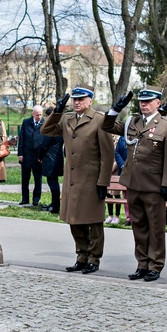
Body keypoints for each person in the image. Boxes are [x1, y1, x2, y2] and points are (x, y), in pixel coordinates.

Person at [102, 87, 167, 281]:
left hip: (153, 185)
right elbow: (107, 126)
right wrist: (115, 109)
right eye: (141, 101)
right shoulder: (132, 122)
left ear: (158, 103)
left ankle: (155, 265)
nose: (144, 104)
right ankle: (142, 264)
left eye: (148, 101)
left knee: (156, 227)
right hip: (133, 183)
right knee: (139, 226)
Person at [41, 86, 115, 273]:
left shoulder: (99, 120)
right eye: (74, 99)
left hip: (91, 179)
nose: (77, 102)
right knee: (75, 220)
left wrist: (103, 182)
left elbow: (107, 155)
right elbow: (46, 130)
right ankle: (81, 256)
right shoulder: (67, 118)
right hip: (72, 179)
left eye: (81, 99)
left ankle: (94, 258)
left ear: (90, 100)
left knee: (93, 221)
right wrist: (57, 111)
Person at [37, 104, 64, 214]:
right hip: (57, 157)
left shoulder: (51, 128)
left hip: (50, 158)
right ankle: (54, 204)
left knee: (52, 183)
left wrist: (39, 156)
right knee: (54, 183)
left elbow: (43, 145)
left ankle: (55, 205)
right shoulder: (60, 127)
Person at [17, 106, 45, 206]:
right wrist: (20, 153)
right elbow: (21, 139)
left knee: (38, 179)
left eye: (40, 114)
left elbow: (45, 141)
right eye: (37, 115)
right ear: (33, 114)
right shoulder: (26, 123)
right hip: (26, 155)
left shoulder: (44, 123)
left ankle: (36, 199)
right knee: (25, 179)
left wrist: (42, 156)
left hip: (38, 156)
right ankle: (25, 198)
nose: (39, 117)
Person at [105, 130, 127, 224]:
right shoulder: (107, 139)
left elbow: (118, 155)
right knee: (108, 194)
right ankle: (110, 215)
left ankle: (117, 216)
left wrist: (110, 169)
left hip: (115, 171)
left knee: (116, 195)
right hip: (107, 171)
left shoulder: (118, 140)